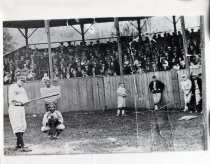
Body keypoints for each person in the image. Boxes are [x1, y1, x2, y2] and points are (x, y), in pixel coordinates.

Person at [8, 76, 32, 152]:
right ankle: (23, 146)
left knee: (23, 126)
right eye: (21, 80)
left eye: (23, 81)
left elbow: (26, 101)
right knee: (18, 126)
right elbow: (12, 99)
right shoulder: (12, 87)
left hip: (21, 108)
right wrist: (22, 102)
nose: (22, 82)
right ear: (17, 80)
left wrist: (27, 102)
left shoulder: (23, 89)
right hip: (14, 108)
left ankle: (18, 145)